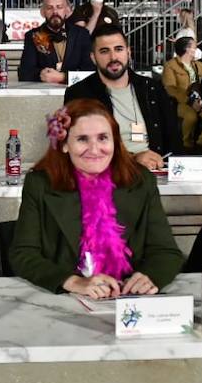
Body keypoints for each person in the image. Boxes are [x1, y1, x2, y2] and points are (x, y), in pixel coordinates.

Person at [10, 99, 184, 298]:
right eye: (83, 139)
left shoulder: (140, 181)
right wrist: (73, 282)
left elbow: (166, 251)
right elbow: (23, 254)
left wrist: (150, 277)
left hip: (128, 297)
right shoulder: (40, 183)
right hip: (66, 301)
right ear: (65, 145)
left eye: (103, 138)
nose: (94, 149)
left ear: (115, 142)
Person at [66, 23, 181, 171]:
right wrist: (132, 159)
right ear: (93, 58)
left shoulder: (152, 88)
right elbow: (79, 148)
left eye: (118, 49)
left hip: (156, 171)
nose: (113, 57)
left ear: (128, 52)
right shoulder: (80, 93)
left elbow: (173, 139)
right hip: (106, 172)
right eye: (104, 51)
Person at [19, 0, 93, 85]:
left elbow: (91, 72)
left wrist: (63, 77)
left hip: (77, 93)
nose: (55, 12)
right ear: (42, 12)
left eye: (59, 7)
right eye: (50, 8)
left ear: (67, 10)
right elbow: (24, 73)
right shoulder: (34, 35)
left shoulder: (82, 34)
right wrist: (40, 75)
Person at [161, 36, 202, 152]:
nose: (196, 50)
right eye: (195, 47)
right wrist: (189, 100)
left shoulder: (200, 66)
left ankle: (201, 142)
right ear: (187, 49)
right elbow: (170, 88)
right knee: (191, 117)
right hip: (180, 101)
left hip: (200, 100)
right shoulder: (170, 66)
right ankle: (186, 145)